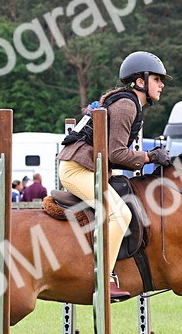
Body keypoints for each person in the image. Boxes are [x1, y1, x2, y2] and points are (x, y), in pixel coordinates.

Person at [56, 51, 173, 301]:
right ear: (140, 81)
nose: (162, 84)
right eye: (157, 79)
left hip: (88, 168)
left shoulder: (128, 103)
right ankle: (103, 279)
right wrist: (149, 157)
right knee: (119, 213)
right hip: (77, 170)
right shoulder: (126, 105)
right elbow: (117, 153)